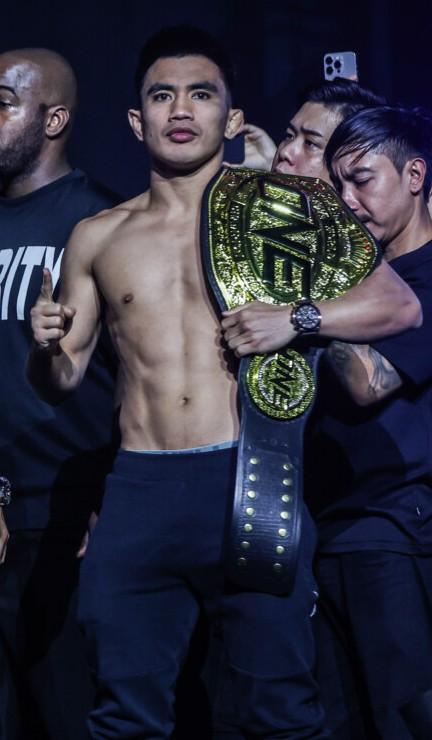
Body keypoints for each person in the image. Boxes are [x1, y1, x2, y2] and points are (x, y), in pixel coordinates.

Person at [28, 27, 420, 739]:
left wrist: (297, 318)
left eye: (201, 94)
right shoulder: (98, 235)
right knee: (122, 717)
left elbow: (399, 306)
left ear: (232, 118)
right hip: (139, 489)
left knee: (282, 713)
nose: (181, 109)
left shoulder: (287, 210)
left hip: (249, 478)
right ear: (136, 120)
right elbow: (63, 380)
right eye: (162, 96)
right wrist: (45, 346)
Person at [0, 48, 117, 740]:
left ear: (54, 120)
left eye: (2, 103)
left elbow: (141, 375)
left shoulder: (99, 221)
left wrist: (115, 497)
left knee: (67, 716)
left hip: (67, 519)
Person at [305, 106, 432, 739]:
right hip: (321, 530)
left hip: (391, 530)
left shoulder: (424, 279)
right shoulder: (350, 277)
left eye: (363, 180)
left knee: (402, 721)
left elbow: (367, 382)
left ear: (414, 175)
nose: (348, 200)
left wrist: (303, 312)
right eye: (338, 185)